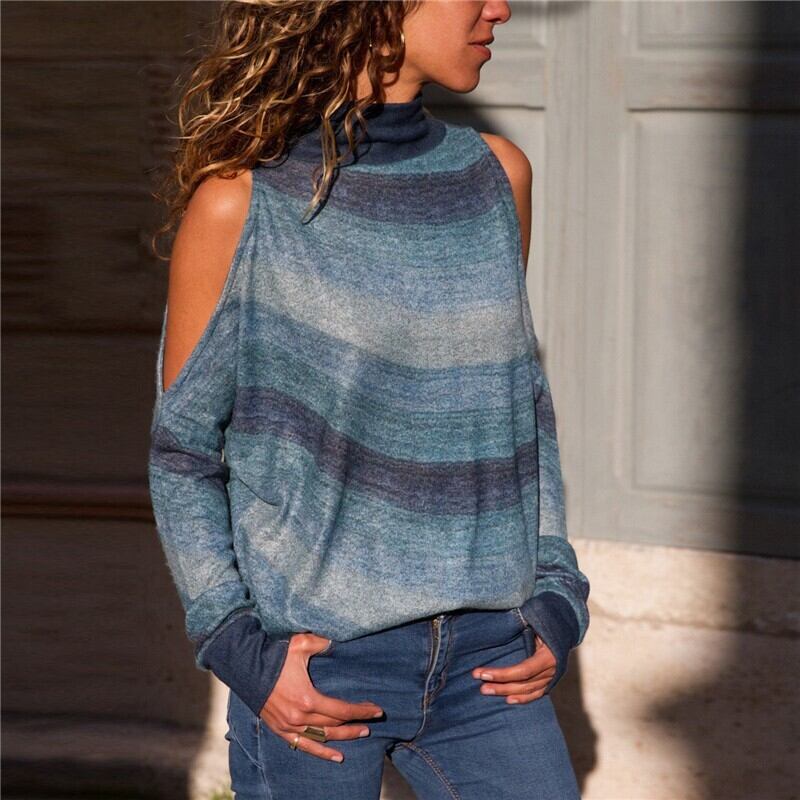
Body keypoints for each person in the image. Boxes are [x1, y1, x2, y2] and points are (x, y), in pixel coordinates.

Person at [147, 1, 590, 797]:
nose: (500, 7)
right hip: (319, 673)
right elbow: (183, 455)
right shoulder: (242, 206)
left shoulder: (496, 177)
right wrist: (240, 649)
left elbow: (521, 415)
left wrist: (558, 595)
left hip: (490, 666)